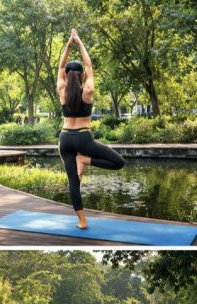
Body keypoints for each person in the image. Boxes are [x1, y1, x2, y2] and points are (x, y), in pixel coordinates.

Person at [57, 29, 125, 229]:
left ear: (67, 75)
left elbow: (61, 66)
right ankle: (85, 159)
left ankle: (82, 220)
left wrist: (69, 45)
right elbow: (89, 64)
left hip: (65, 139)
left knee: (73, 181)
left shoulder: (61, 91)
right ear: (82, 75)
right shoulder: (88, 91)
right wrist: (79, 43)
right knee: (118, 162)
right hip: (83, 139)